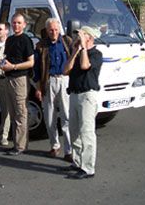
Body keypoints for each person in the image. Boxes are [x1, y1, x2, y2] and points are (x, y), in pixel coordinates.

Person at [62, 26, 102, 180]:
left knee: (86, 132)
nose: (77, 39)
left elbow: (86, 66)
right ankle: (77, 162)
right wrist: (74, 52)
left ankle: (88, 168)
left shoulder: (96, 54)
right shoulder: (77, 53)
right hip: (74, 94)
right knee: (74, 131)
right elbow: (66, 70)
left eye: (80, 35)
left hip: (87, 96)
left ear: (89, 37)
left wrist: (84, 48)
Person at [35, 17, 73, 162]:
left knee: (66, 117)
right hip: (48, 81)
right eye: (51, 30)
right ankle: (55, 145)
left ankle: (68, 151)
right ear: (46, 30)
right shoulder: (40, 46)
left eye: (56, 29)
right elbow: (36, 69)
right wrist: (38, 86)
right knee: (49, 116)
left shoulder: (66, 42)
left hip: (64, 80)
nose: (54, 32)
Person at [0, 13, 35, 156]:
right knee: (13, 113)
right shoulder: (9, 40)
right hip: (8, 79)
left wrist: (13, 67)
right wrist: (1, 64)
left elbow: (31, 62)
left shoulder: (26, 40)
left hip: (20, 79)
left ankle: (21, 146)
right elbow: (6, 58)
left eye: (19, 23)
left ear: (24, 25)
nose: (16, 25)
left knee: (21, 113)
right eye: (14, 23)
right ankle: (16, 143)